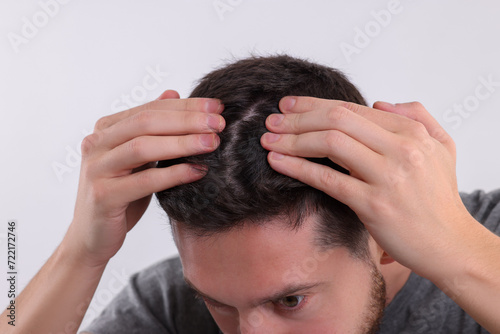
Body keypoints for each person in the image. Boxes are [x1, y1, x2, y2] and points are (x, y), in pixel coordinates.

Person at [2, 55, 499, 334]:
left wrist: (455, 249)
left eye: (291, 300)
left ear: (380, 234)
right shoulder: (168, 308)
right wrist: (80, 253)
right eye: (218, 305)